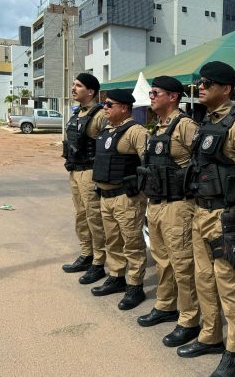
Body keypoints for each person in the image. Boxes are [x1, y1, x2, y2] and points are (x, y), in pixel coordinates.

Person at [177, 61, 235, 377]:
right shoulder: (204, 123)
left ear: (225, 89)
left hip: (224, 216)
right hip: (201, 211)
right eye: (200, 82)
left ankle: (234, 350)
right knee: (204, 279)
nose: (200, 87)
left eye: (207, 83)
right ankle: (211, 336)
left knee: (229, 285)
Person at [136, 76, 201, 348]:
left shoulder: (186, 126)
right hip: (156, 204)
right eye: (150, 92)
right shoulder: (157, 127)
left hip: (178, 205)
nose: (150, 96)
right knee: (161, 260)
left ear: (173, 97)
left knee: (183, 265)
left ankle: (189, 320)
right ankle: (165, 305)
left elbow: (202, 165)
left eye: (156, 92)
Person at [90, 89, 149, 311]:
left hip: (127, 197)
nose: (104, 108)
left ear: (124, 107)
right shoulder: (106, 131)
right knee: (112, 240)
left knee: (132, 243)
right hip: (105, 197)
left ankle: (135, 286)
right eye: (104, 104)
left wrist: (140, 191)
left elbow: (149, 165)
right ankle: (116, 277)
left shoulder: (136, 132)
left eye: (109, 104)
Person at [62, 73, 107, 285]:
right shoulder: (77, 113)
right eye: (73, 84)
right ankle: (86, 254)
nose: (73, 88)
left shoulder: (100, 115)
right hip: (75, 171)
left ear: (90, 91)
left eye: (78, 85)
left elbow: (109, 146)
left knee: (94, 217)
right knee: (81, 215)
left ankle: (99, 262)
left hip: (90, 172)